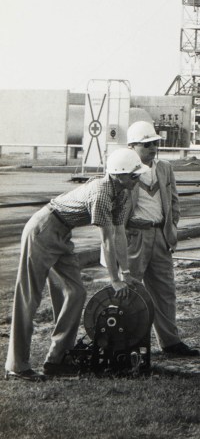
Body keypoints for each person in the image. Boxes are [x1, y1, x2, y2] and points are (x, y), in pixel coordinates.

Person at [4, 148, 146, 382]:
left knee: (76, 292)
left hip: (62, 233)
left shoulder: (121, 193)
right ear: (118, 174)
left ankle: (57, 359)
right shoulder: (101, 193)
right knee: (29, 297)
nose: (137, 179)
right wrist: (114, 279)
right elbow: (106, 240)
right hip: (42, 229)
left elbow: (119, 233)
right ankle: (17, 366)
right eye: (134, 175)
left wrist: (126, 272)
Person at [124, 120, 199, 358]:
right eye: (146, 145)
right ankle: (128, 343)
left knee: (165, 291)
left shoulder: (164, 168)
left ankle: (170, 342)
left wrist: (171, 228)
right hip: (135, 236)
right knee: (130, 290)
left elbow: (174, 201)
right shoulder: (123, 168)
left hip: (160, 235)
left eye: (155, 143)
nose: (153, 148)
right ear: (132, 146)